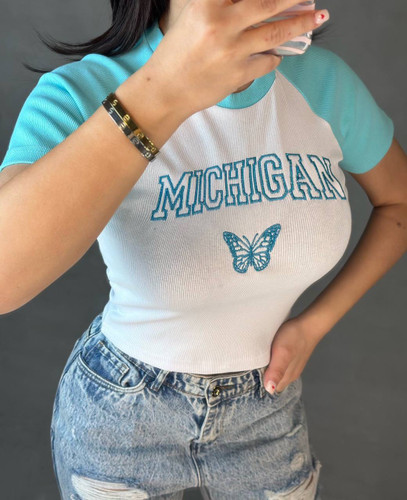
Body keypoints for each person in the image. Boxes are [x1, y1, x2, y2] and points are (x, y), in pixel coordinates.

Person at [0, 0, 406, 499]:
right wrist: (163, 91)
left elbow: (399, 202)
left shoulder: (322, 83)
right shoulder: (83, 90)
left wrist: (313, 326)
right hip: (122, 411)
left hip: (267, 409)